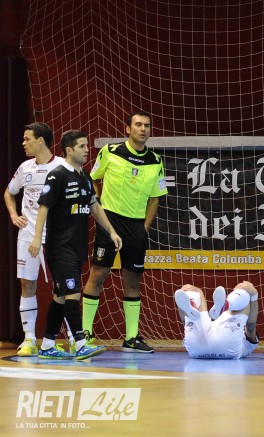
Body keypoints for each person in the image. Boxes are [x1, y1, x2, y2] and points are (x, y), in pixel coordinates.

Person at [29, 130, 122, 360]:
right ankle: (80, 344)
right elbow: (43, 207)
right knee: (73, 294)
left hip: (77, 246)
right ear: (69, 150)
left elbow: (95, 206)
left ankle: (47, 345)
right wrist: (36, 238)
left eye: (87, 145)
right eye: (82, 146)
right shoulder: (57, 175)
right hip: (60, 247)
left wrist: (112, 231)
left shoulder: (85, 177)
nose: (87, 150)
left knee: (60, 297)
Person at [82, 110, 168, 353]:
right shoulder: (109, 151)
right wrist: (100, 208)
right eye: (138, 124)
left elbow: (155, 198)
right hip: (109, 222)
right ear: (128, 129)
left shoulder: (156, 161)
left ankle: (131, 338)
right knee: (98, 274)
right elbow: (93, 178)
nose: (143, 129)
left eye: (147, 125)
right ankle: (84, 334)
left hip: (136, 227)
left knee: (132, 280)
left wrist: (144, 229)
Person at [4, 122, 77, 356]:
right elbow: (9, 193)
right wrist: (14, 216)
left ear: (40, 140)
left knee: (64, 288)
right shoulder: (24, 168)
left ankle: (74, 338)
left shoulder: (62, 166)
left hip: (56, 237)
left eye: (27, 139)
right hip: (27, 236)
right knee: (27, 284)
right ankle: (29, 340)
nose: (23, 143)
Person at [174, 281, 259, 359]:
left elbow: (186, 324)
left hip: (196, 348)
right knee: (245, 293)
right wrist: (253, 295)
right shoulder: (249, 344)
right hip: (229, 349)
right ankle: (227, 304)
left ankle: (192, 303)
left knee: (192, 291)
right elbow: (251, 327)